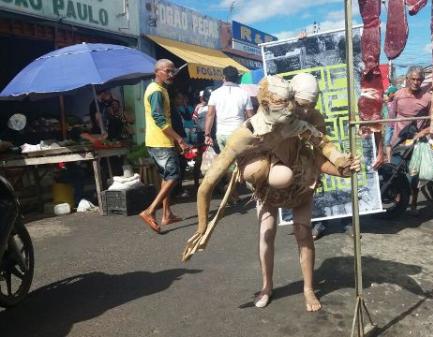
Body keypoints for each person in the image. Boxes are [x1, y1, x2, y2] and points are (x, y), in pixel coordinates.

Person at [183, 73, 360, 312]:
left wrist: (342, 167)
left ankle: (308, 288)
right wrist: (202, 227)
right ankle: (266, 286)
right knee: (266, 233)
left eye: (309, 106)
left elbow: (323, 152)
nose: (301, 111)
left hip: (301, 183)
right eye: (300, 105)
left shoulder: (305, 121)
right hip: (268, 187)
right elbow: (208, 183)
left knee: (303, 231)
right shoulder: (252, 130)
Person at [139, 59, 191, 234]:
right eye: (167, 71)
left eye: (172, 71)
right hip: (160, 141)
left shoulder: (161, 89)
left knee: (166, 177)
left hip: (161, 141)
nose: (171, 74)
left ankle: (167, 214)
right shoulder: (155, 91)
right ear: (157, 72)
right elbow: (159, 119)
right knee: (173, 176)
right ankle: (150, 211)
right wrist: (180, 139)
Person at [204, 66, 254, 202]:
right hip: (239, 133)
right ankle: (234, 189)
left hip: (222, 134)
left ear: (224, 77)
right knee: (242, 162)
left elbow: (210, 115)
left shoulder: (215, 94)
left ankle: (232, 191)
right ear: (236, 77)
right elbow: (250, 116)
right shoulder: (244, 94)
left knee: (229, 164)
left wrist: (207, 134)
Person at [387, 66, 432, 214]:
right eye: (413, 79)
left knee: (414, 175)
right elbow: (391, 118)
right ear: (407, 79)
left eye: (419, 79)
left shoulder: (428, 98)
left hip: (417, 142)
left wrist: (423, 133)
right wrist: (388, 142)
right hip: (398, 140)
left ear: (422, 81)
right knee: (395, 172)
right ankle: (398, 202)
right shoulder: (398, 95)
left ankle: (413, 204)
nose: (416, 82)